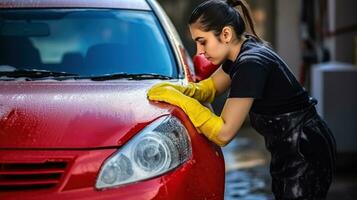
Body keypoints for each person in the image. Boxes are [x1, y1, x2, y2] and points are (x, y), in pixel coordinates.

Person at [147, 0, 336, 199]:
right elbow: (208, 89)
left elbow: (223, 132)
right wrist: (173, 89)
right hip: (288, 147)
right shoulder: (240, 51)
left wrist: (179, 100)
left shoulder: (251, 64)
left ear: (226, 34)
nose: (198, 52)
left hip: (304, 148)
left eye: (202, 41)